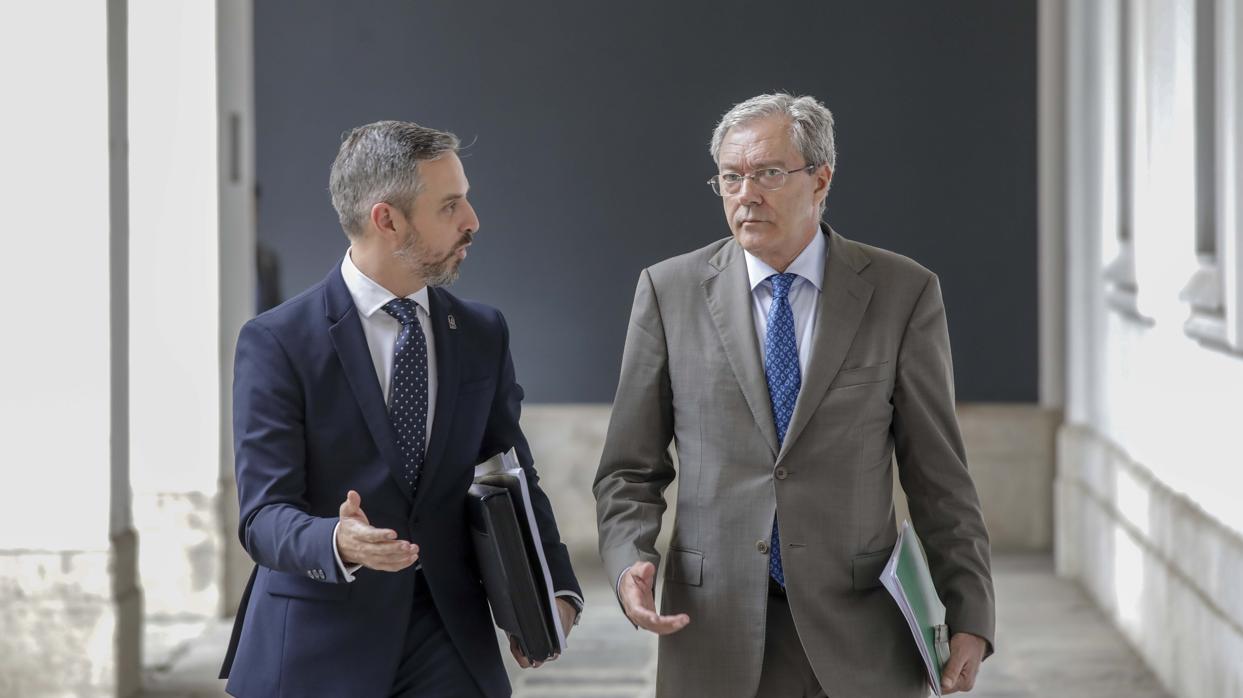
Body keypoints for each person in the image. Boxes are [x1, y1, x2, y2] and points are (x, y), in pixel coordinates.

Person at [593, 93, 994, 697]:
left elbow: (938, 475)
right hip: (713, 627)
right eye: (731, 177)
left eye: (768, 174)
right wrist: (629, 561)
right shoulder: (667, 292)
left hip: (860, 630)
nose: (746, 194)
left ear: (821, 179)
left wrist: (970, 615)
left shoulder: (901, 293)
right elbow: (628, 468)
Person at [220, 120, 582, 697]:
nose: (472, 221)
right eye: (450, 206)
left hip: (450, 638)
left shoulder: (482, 333)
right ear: (387, 219)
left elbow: (512, 473)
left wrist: (555, 588)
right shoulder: (277, 342)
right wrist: (335, 541)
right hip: (318, 642)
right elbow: (263, 516)